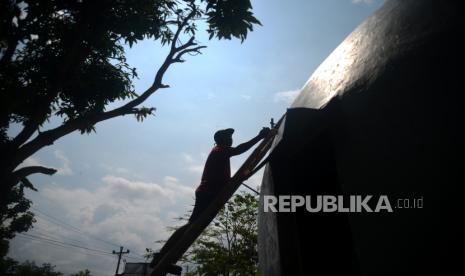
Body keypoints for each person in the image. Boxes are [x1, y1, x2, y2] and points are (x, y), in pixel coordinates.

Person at [150, 127, 272, 272]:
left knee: (193, 225)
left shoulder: (221, 151)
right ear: (221, 140)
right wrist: (259, 137)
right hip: (208, 192)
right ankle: (162, 257)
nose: (231, 139)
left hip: (209, 192)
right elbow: (239, 150)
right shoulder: (220, 150)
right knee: (192, 225)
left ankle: (165, 258)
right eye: (228, 137)